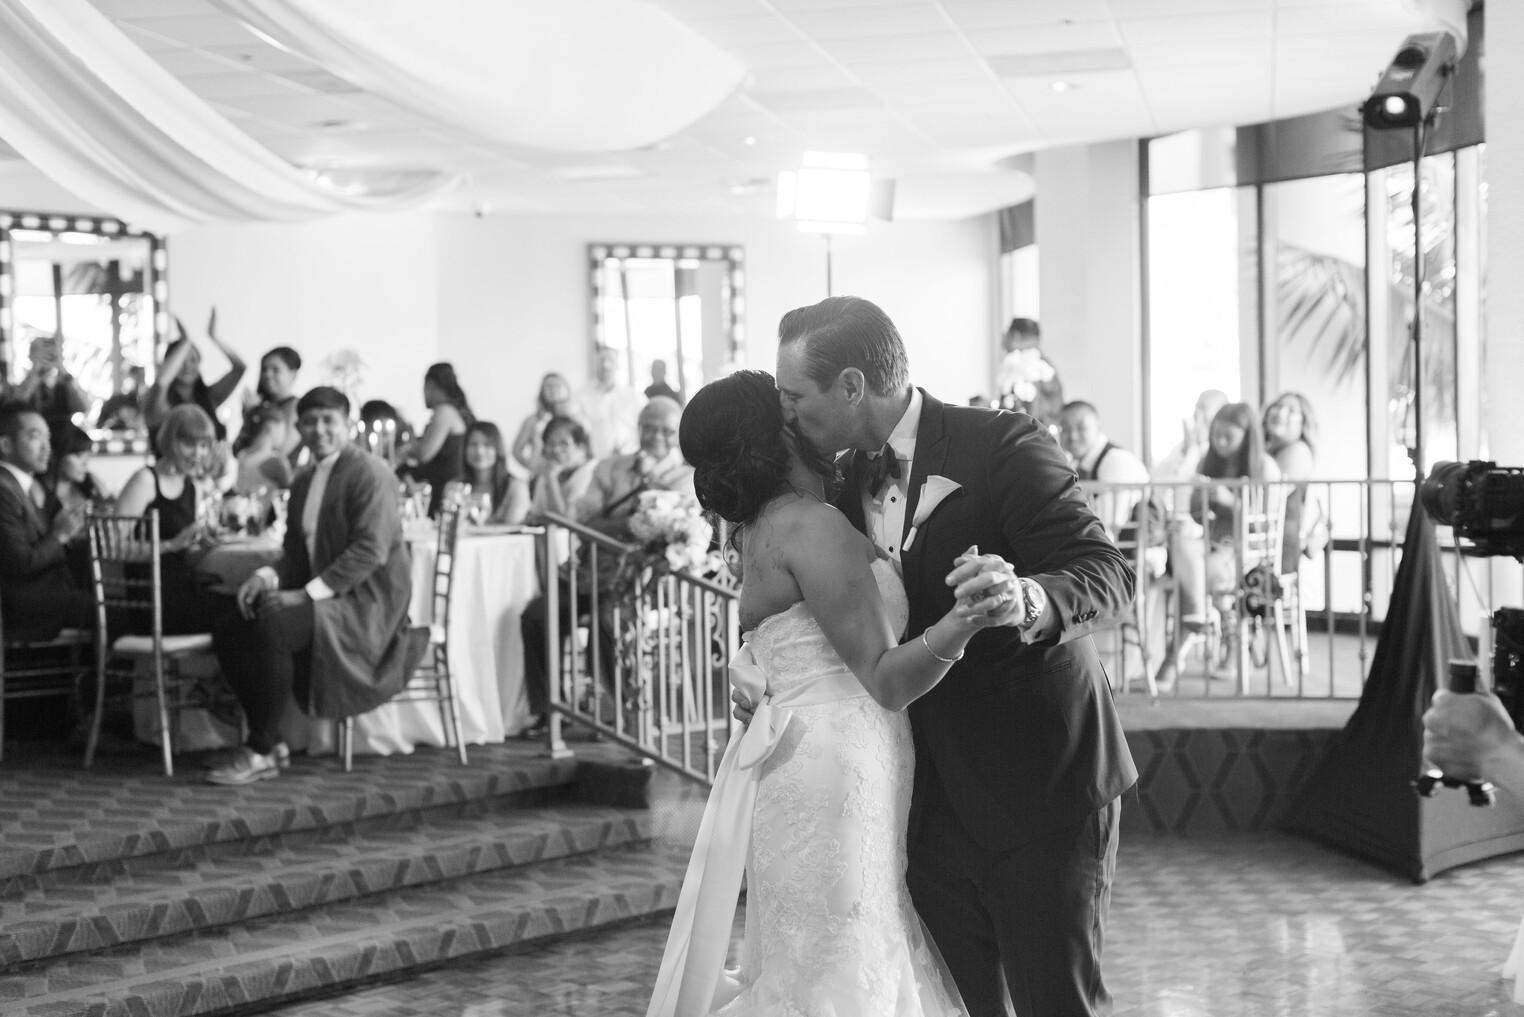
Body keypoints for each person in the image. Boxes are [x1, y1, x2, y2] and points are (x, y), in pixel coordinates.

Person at [742, 296, 1137, 1017]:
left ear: (852, 386)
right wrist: (764, 676)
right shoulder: (831, 487)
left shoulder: (1002, 444)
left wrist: (1028, 600)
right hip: (919, 802)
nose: (786, 414)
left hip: (1038, 786)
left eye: (795, 397)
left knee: (1057, 1004)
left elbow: (1109, 573)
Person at [647, 369, 994, 1016]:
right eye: (790, 406)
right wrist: (965, 620)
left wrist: (758, 677)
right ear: (779, 432)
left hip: (806, 751)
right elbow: (886, 678)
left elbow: (778, 642)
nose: (803, 413)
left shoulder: (757, 527)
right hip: (841, 759)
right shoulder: (813, 526)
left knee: (816, 952)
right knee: (843, 952)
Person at [208, 386, 417, 786]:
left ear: (347, 424)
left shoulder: (371, 473)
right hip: (325, 594)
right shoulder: (304, 479)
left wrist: (304, 594)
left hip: (365, 603)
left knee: (274, 625)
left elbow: (369, 552)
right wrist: (265, 576)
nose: (319, 430)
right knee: (231, 624)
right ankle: (271, 740)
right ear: (298, 427)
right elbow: (294, 551)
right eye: (309, 422)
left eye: (328, 421)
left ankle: (260, 749)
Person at [519, 397, 691, 738]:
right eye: (649, 427)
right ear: (638, 428)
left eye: (666, 430)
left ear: (678, 433)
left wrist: (614, 524)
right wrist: (629, 523)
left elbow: (664, 530)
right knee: (537, 616)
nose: (656, 436)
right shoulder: (611, 467)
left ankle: (621, 710)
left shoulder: (687, 477)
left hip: (645, 580)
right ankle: (550, 712)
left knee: (607, 621)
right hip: (593, 570)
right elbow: (584, 518)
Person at [1154, 401, 1282, 689]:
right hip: (1208, 543)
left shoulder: (1265, 468)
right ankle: (1199, 614)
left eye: (1228, 437)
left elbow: (1266, 525)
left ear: (1247, 438)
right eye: (1216, 435)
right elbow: (1195, 514)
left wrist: (1231, 501)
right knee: (1182, 542)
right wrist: (1199, 497)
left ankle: (1174, 656)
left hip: (1246, 551)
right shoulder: (1206, 461)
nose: (1220, 442)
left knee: (1201, 575)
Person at [113, 404, 227, 635]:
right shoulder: (145, 481)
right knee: (238, 615)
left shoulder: (193, 488)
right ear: (170, 441)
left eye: (204, 446)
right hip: (150, 600)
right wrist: (169, 545)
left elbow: (183, 556)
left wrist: (203, 544)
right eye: (189, 444)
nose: (197, 454)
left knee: (246, 605)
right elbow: (113, 547)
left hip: (180, 591)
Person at [0, 404, 91, 642]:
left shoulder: (25, 486)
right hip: (24, 605)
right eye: (35, 437)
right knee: (121, 612)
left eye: (48, 438)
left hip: (44, 595)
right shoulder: (4, 491)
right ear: (6, 445)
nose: (46, 447)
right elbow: (21, 564)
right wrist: (59, 535)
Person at [144, 309, 247, 443]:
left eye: (193, 360)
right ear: (171, 365)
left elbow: (239, 368)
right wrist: (186, 341)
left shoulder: (208, 397)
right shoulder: (159, 402)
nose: (187, 366)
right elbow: (161, 383)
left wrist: (214, 337)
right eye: (181, 361)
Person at [1058, 399, 1152, 536]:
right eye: (1065, 429)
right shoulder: (1075, 465)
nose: (1073, 436)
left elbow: (1106, 527)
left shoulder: (1116, 461)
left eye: (1081, 427)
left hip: (1128, 546)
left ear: (1098, 427)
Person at [400, 362, 474, 517]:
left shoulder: (445, 412)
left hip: (444, 489)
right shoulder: (454, 410)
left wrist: (408, 438)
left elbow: (424, 454)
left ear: (431, 385)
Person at [1262, 391, 1324, 573]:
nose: (1281, 413)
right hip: (1269, 544)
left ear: (1303, 423)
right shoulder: (1268, 452)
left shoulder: (1298, 451)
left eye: (1291, 410)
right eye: (1277, 406)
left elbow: (1271, 499)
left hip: (1282, 552)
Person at [233, 346, 302, 463]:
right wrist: (249, 418)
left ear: (293, 374)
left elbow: (280, 450)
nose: (268, 375)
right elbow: (237, 450)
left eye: (276, 369)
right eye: (264, 369)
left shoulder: (295, 407)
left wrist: (256, 412)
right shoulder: (262, 407)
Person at [525, 415, 597, 526]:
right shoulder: (550, 471)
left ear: (581, 447)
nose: (556, 450)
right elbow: (535, 515)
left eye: (564, 443)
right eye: (550, 443)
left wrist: (551, 480)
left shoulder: (590, 473)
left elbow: (567, 524)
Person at [15, 334, 89, 438]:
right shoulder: (26, 384)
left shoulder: (64, 384)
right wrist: (35, 372)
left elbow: (83, 407)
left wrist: (63, 370)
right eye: (44, 353)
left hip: (62, 439)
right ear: (31, 355)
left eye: (52, 353)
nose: (48, 357)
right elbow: (15, 407)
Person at [994, 317, 1064, 427]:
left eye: (1006, 334)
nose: (1003, 340)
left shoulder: (1035, 368)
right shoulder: (1034, 363)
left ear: (1015, 336)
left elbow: (1030, 415)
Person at [577, 347, 642, 458]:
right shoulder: (581, 396)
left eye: (610, 360)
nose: (605, 365)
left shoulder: (634, 395)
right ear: (594, 364)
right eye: (601, 360)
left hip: (631, 457)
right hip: (597, 460)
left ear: (617, 364)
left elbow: (644, 425)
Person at [461, 421, 529, 524]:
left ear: (498, 449)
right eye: (473, 444)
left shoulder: (516, 487)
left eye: (487, 445)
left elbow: (513, 528)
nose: (479, 451)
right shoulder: (456, 487)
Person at [511, 372, 578, 474]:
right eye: (548, 386)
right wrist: (531, 467)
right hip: (541, 475)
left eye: (557, 385)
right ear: (542, 392)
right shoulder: (533, 420)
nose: (553, 389)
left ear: (566, 389)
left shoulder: (576, 419)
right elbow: (516, 450)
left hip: (570, 474)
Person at [46, 424, 112, 517]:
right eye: (79, 456)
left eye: (88, 456)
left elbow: (115, 514)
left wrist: (105, 496)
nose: (85, 463)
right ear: (56, 455)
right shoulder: (38, 491)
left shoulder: (89, 484)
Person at [233, 406, 295, 495]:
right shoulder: (277, 462)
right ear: (269, 427)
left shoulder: (242, 454)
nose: (284, 434)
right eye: (282, 429)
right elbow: (292, 493)